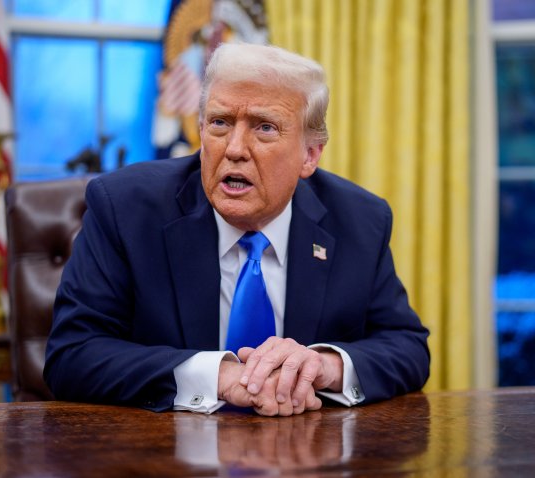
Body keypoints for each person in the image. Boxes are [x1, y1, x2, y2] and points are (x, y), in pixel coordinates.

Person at [45, 42, 430, 416]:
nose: (234, 148)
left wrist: (322, 366)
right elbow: (72, 354)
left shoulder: (359, 220)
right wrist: (220, 377)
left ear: (309, 154)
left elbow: (407, 347)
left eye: (264, 127)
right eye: (219, 123)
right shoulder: (124, 208)